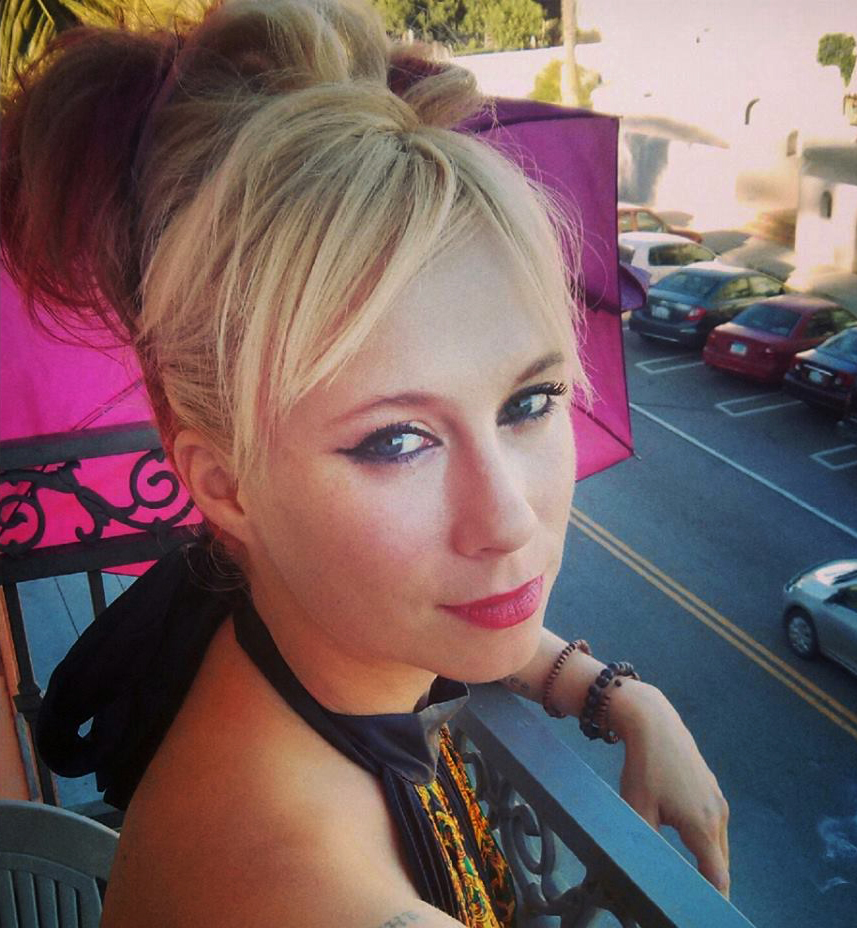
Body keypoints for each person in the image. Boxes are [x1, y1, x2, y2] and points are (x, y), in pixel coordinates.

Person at [1, 1, 729, 924]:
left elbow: (462, 618)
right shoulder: (318, 897)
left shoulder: (265, 628)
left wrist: (619, 698)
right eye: (396, 441)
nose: (508, 519)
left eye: (530, 402)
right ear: (223, 485)